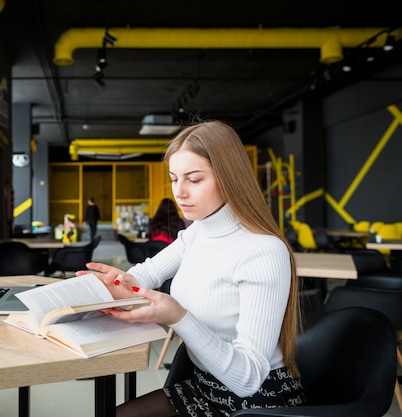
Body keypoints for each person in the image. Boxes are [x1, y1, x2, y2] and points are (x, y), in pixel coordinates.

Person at [79, 120, 303, 416]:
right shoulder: (199, 231)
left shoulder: (263, 251)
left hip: (257, 403)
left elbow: (248, 378)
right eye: (174, 178)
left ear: (229, 178)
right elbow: (148, 273)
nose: (179, 192)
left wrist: (177, 317)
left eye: (194, 180)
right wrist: (123, 279)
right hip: (203, 384)